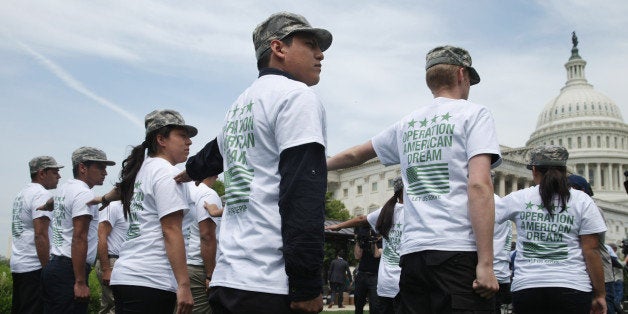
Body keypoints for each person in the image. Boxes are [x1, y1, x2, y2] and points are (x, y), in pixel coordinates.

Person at [174, 11, 332, 314]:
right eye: (310, 44)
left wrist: (188, 171)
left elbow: (214, 153)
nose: (320, 54)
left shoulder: (240, 105)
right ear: (279, 48)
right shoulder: (296, 97)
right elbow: (303, 194)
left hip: (228, 279)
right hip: (270, 284)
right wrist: (306, 284)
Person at [326, 45, 501, 312]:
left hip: (413, 256)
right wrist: (486, 263)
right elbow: (478, 184)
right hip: (456, 251)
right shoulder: (474, 114)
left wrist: (314, 165)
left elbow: (353, 154)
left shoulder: (407, 124)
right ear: (461, 75)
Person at [94, 109, 197, 314]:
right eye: (182, 136)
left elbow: (121, 189)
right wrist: (184, 285)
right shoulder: (167, 173)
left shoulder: (141, 170)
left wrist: (103, 198)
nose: (189, 142)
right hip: (151, 279)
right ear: (161, 139)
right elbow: (170, 229)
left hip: (126, 276)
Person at [496, 145, 607, 314]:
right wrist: (600, 294)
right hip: (573, 286)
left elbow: (484, 220)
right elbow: (591, 250)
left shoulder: (519, 198)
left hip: (527, 286)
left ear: (534, 171)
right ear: (565, 171)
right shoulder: (582, 201)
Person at [42, 147, 115, 313]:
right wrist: (80, 282)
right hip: (70, 270)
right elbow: (79, 237)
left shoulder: (65, 189)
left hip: (56, 266)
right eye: (100, 167)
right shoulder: (83, 193)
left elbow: (53, 202)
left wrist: (46, 205)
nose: (105, 173)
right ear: (83, 168)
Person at [326, 176, 404, 314]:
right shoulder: (415, 212)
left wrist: (339, 226)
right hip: (405, 281)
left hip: (387, 282)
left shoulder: (388, 211)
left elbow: (362, 219)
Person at [10, 156, 63, 313]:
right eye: (55, 172)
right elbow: (40, 234)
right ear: (42, 173)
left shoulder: (21, 194)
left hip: (19, 265)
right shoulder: (41, 194)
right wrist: (47, 271)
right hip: (35, 267)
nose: (59, 176)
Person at [567, 173, 616, 314]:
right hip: (581, 276)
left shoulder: (592, 209)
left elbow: (591, 246)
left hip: (601, 276)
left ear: (581, 192)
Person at [185, 175, 222, 314]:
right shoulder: (208, 194)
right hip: (200, 267)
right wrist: (210, 275)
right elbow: (206, 236)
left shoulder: (185, 190)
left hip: (182, 263)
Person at [96, 201, 128, 314]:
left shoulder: (133, 208)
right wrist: (106, 269)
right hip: (111, 261)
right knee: (117, 305)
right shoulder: (113, 207)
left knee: (111, 306)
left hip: (123, 261)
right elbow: (101, 236)